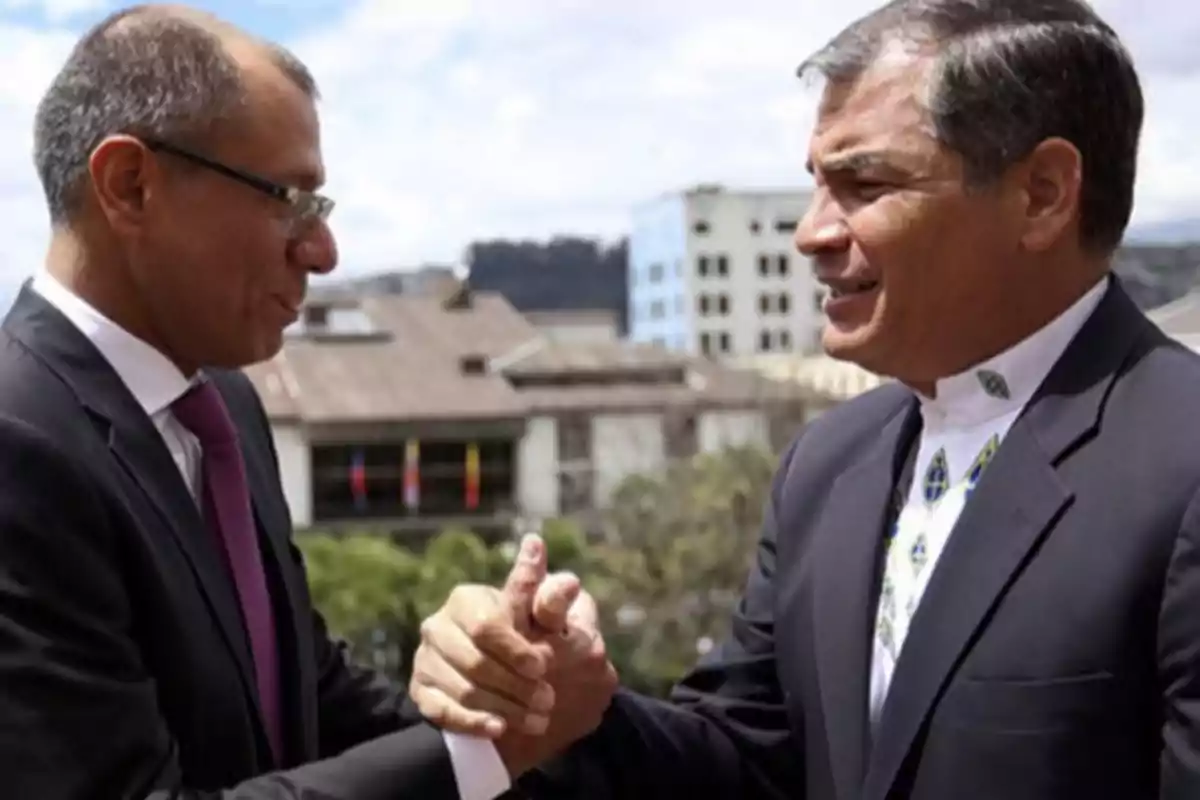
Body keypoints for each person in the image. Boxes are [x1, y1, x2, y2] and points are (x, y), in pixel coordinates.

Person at [407, 0, 1200, 797]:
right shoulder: (828, 466)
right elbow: (752, 764)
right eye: (818, 186)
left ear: (1042, 194)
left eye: (865, 184)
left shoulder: (1181, 464)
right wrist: (566, 706)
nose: (811, 233)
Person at [0, 5, 617, 798]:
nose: (322, 252)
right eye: (287, 198)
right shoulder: (19, 446)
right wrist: (481, 760)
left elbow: (303, 692)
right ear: (130, 186)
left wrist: (505, 695)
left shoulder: (222, 407)